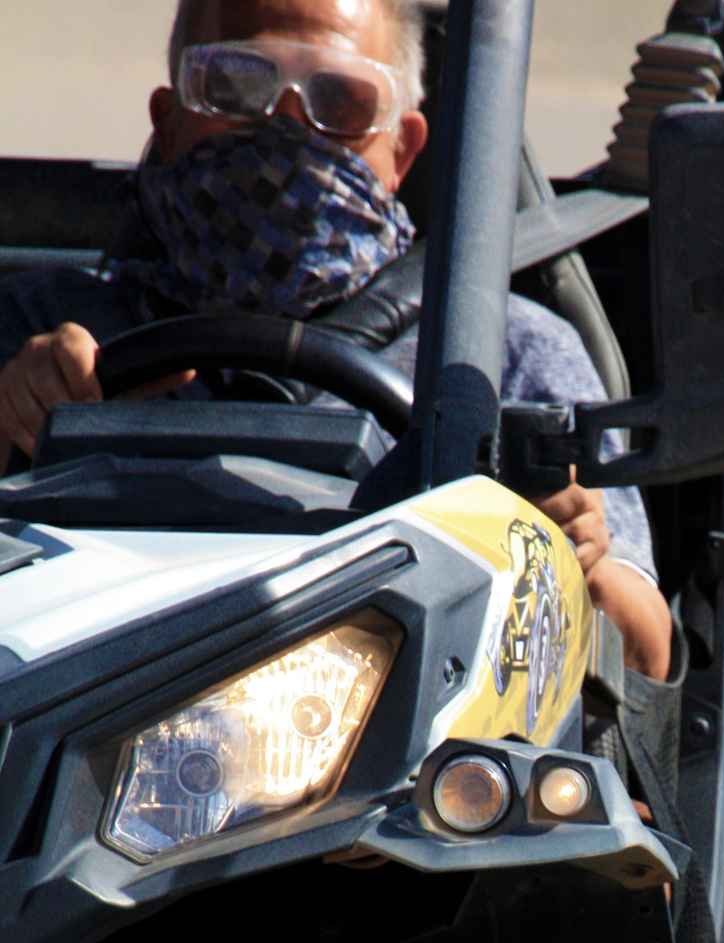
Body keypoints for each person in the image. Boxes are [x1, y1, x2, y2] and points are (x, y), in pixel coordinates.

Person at [0, 0, 674, 682]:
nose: (285, 126)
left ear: (402, 150)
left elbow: (646, 661)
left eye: (341, 100)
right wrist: (14, 418)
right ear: (169, 120)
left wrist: (572, 558)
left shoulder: (500, 349)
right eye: (235, 84)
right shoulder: (37, 322)